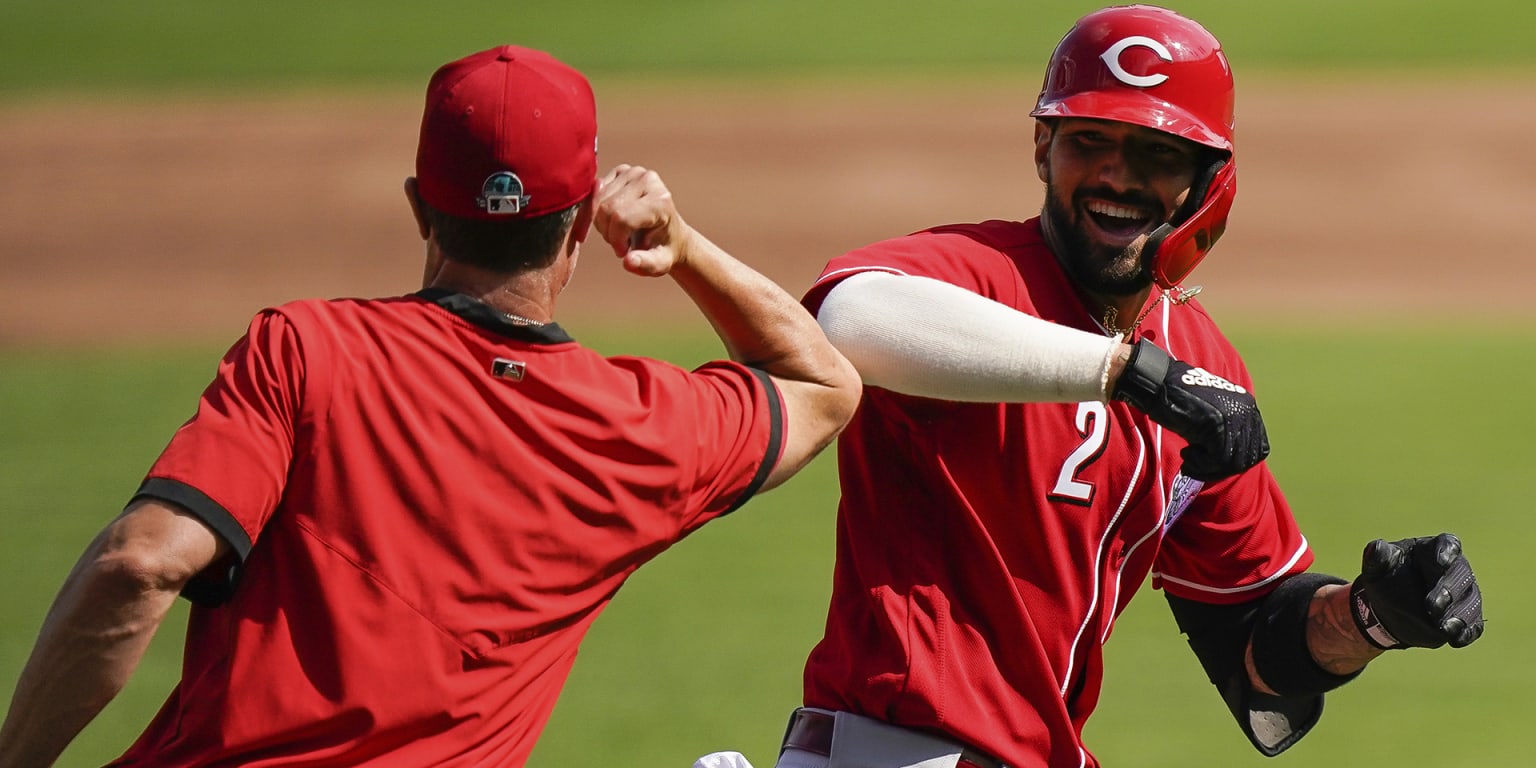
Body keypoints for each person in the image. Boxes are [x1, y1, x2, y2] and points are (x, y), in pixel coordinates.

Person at [0, 44, 860, 768]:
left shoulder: (305, 353)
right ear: (574, 229)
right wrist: (680, 248)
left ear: (420, 207)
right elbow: (823, 384)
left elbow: (141, 564)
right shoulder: (640, 428)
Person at [770, 6, 1486, 768]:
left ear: (1210, 180)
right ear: (1043, 147)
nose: (1117, 175)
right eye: (1090, 142)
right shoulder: (982, 280)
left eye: (1156, 152)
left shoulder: (1197, 362)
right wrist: (1124, 371)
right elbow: (849, 316)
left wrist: (1375, 618)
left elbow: (1253, 634)